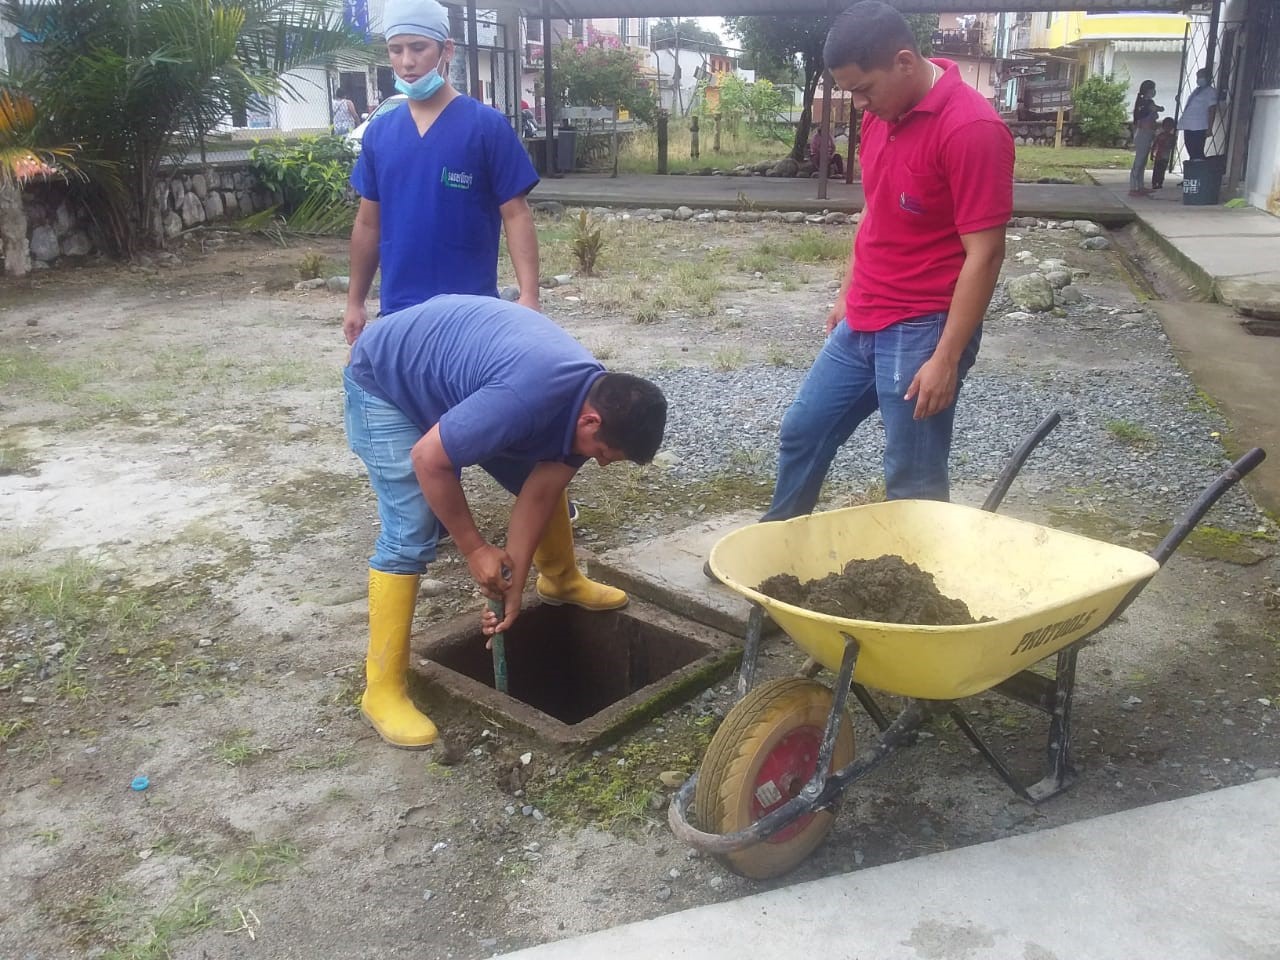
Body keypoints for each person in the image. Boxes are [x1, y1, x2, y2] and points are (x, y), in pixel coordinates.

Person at [344, 295, 667, 748]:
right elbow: (428, 459)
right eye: (603, 453)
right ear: (591, 421)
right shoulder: (525, 399)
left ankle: (560, 580)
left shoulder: (590, 401)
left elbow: (541, 492)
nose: (602, 463)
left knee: (540, 468)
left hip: (465, 381)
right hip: (386, 379)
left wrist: (511, 587)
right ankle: (382, 691)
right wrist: (476, 549)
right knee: (411, 528)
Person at [762, 1, 1012, 522]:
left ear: (904, 62)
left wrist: (946, 357)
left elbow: (985, 253)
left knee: (912, 475)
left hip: (924, 325)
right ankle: (775, 542)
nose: (858, 105)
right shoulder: (881, 116)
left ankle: (916, 571)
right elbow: (875, 211)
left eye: (863, 89)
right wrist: (847, 294)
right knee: (803, 430)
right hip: (864, 316)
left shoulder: (971, 129)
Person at [345, 0, 541, 339]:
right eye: (396, 50)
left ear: (446, 50)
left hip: (471, 314)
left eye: (418, 48)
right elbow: (368, 223)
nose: (407, 61)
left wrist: (529, 296)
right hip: (399, 313)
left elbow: (516, 215)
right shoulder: (380, 133)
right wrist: (354, 301)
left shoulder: (485, 127)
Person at [1129, 79, 1162, 196]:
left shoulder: (1148, 102)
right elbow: (1156, 109)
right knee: (1139, 161)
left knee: (1143, 162)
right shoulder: (1144, 104)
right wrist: (1157, 108)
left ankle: (1140, 185)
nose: (1154, 91)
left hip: (1148, 133)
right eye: (1153, 89)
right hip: (1143, 133)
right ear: (1148, 90)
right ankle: (1133, 187)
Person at [1179, 67, 1218, 161]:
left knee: (1197, 151)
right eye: (1198, 76)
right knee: (1190, 149)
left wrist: (1209, 128)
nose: (1199, 79)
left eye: (1201, 76)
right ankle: (1193, 166)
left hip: (1199, 126)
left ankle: (1198, 168)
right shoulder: (1196, 91)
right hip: (1189, 125)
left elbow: (1212, 110)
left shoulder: (1210, 92)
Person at [1150, 117, 1177, 191]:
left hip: (1165, 156)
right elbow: (1154, 144)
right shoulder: (1160, 135)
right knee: (1156, 170)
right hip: (1159, 155)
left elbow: (1172, 146)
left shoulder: (1172, 137)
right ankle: (1154, 183)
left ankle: (1160, 183)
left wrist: (1170, 143)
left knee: (1162, 170)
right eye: (1166, 126)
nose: (1168, 128)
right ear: (1163, 126)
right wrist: (1152, 153)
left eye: (1170, 126)